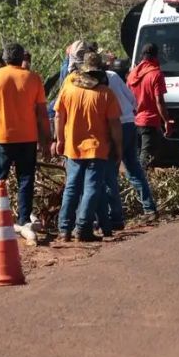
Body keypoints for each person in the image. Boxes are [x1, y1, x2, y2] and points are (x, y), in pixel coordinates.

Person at [0, 42, 50, 239]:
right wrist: (47, 139)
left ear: (5, 58)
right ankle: (24, 220)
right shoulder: (34, 78)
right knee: (25, 179)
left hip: (2, 137)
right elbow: (42, 114)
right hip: (28, 137)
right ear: (21, 58)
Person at [55, 52, 122, 242]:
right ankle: (83, 227)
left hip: (73, 147)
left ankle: (64, 228)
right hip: (97, 148)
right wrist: (119, 147)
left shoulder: (68, 90)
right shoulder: (106, 94)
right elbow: (115, 124)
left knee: (72, 187)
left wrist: (59, 140)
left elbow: (59, 116)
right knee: (92, 187)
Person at [103, 53, 158, 226]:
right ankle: (149, 208)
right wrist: (130, 114)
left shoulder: (97, 83)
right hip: (129, 123)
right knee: (133, 167)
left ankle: (116, 217)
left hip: (116, 126)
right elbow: (133, 99)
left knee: (110, 172)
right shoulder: (113, 76)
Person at [128, 43, 173, 168]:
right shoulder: (156, 74)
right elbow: (159, 101)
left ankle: (139, 183)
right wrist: (167, 121)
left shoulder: (132, 74)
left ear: (142, 56)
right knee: (145, 159)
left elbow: (127, 97)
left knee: (140, 156)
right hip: (149, 121)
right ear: (156, 56)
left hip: (135, 121)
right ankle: (139, 185)